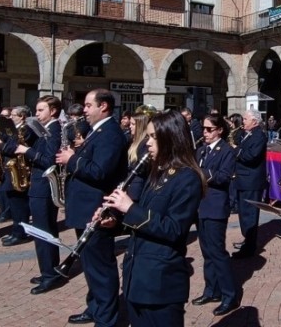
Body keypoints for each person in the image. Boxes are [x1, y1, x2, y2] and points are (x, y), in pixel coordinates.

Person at [101, 110, 203, 326]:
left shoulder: (187, 178)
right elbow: (145, 218)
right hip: (138, 279)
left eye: (153, 137)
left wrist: (129, 208)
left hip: (160, 284)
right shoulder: (157, 172)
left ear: (171, 138)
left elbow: (174, 229)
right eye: (148, 136)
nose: (147, 143)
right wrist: (116, 222)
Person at [55, 89, 128, 326]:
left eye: (88, 105)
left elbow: (100, 171)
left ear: (103, 106)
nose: (84, 110)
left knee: (101, 268)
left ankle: (106, 319)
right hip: (85, 209)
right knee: (90, 266)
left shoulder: (110, 134)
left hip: (97, 211)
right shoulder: (98, 131)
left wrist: (72, 159)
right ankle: (95, 307)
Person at [11, 96, 63, 294]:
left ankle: (50, 274)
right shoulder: (45, 129)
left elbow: (49, 160)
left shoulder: (54, 130)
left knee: (44, 232)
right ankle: (48, 270)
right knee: (43, 232)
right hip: (39, 186)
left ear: (53, 111)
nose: (37, 114)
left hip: (43, 187)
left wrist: (27, 151)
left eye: (41, 110)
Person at [190, 113, 240, 316]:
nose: (205, 133)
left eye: (209, 129)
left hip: (216, 207)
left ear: (220, 130)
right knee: (206, 252)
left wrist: (202, 172)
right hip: (201, 207)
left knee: (218, 253)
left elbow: (223, 177)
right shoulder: (200, 150)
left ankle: (230, 295)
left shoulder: (226, 151)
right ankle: (212, 290)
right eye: (203, 128)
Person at [232, 109, 268, 259]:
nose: (243, 122)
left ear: (254, 121)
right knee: (243, 213)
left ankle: (250, 247)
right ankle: (247, 239)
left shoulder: (259, 135)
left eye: (246, 119)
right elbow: (239, 142)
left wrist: (237, 151)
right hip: (242, 179)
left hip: (251, 181)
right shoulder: (247, 134)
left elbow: (251, 156)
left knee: (250, 214)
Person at [0, 105, 34, 247]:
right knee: (14, 204)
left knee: (20, 206)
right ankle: (16, 231)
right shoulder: (14, 129)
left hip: (19, 170)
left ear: (22, 116)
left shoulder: (26, 130)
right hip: (12, 169)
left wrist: (0, 146)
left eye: (13, 115)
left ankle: (20, 234)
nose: (10, 117)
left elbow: (14, 148)